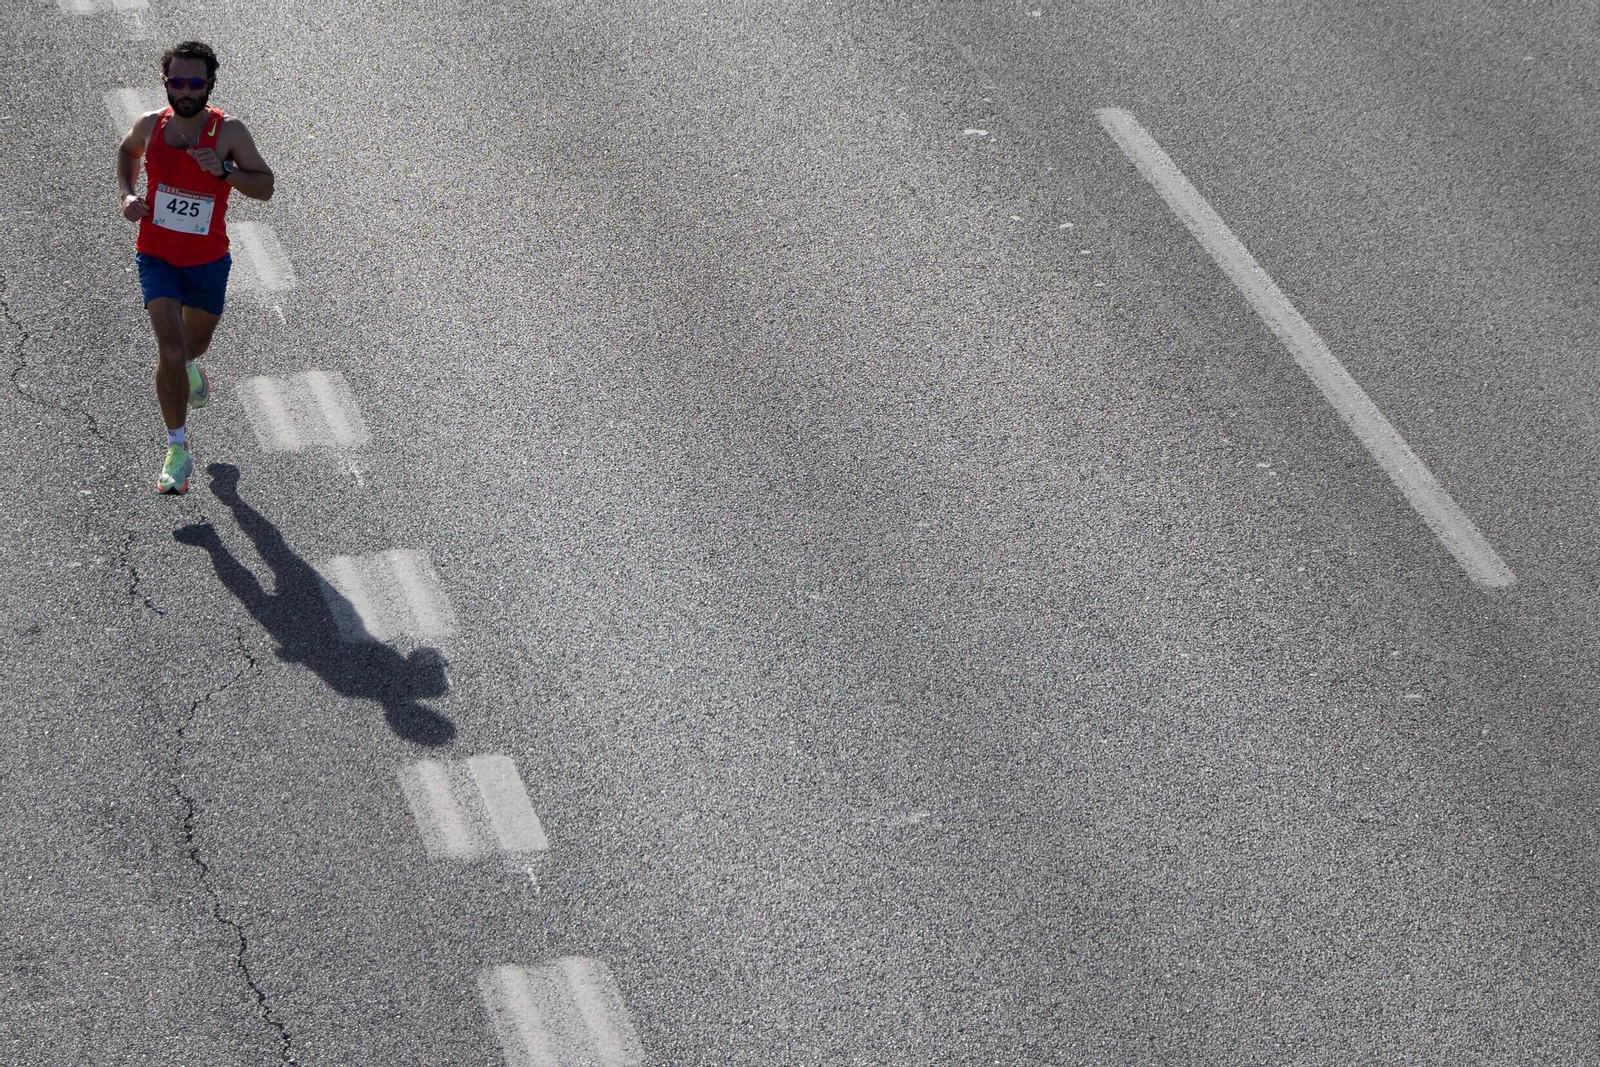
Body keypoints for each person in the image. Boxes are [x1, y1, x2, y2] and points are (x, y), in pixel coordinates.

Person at [116, 40, 275, 494]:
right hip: (157, 256)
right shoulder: (150, 125)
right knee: (169, 349)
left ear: (210, 84)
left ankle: (189, 367)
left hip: (207, 261)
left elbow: (265, 187)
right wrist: (128, 195)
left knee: (192, 347)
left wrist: (225, 171)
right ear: (166, 83)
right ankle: (177, 449)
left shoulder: (229, 132)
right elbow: (126, 154)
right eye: (177, 82)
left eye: (195, 82)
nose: (186, 91)